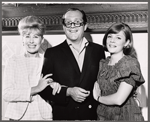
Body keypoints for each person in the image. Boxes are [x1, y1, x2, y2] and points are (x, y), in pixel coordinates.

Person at [40, 8, 105, 120]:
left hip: (91, 116)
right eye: (68, 23)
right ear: (64, 27)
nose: (73, 26)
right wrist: (68, 92)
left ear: (84, 26)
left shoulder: (98, 50)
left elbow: (103, 82)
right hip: (64, 115)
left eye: (77, 22)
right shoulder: (52, 53)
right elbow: (44, 89)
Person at [2, 16, 61, 120]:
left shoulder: (48, 61)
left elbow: (50, 88)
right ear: (22, 39)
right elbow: (6, 94)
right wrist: (36, 89)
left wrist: (54, 85)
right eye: (27, 36)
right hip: (17, 116)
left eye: (36, 36)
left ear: (42, 40)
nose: (31, 41)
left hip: (43, 115)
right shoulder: (12, 61)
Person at [93, 22, 145, 121]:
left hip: (125, 116)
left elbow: (118, 100)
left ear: (126, 43)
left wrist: (98, 98)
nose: (112, 41)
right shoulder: (103, 63)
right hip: (104, 115)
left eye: (118, 38)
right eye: (110, 36)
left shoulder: (129, 64)